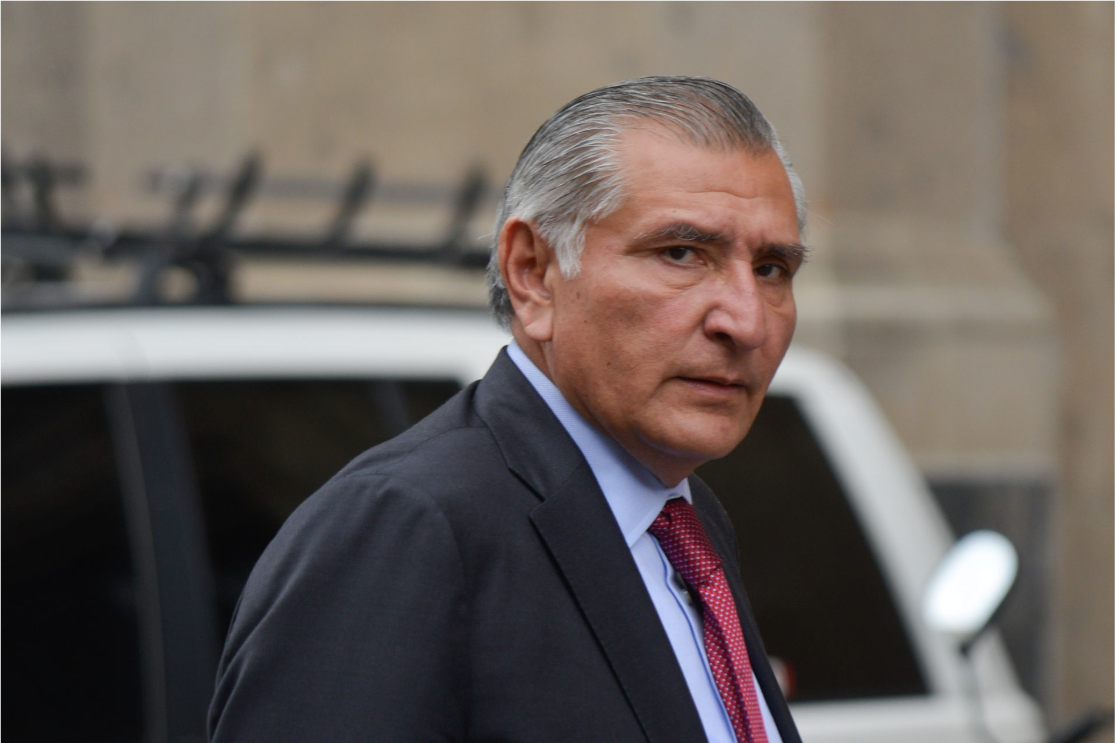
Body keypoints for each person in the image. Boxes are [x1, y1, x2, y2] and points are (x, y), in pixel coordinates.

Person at [210, 75, 807, 743]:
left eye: (772, 268)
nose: (746, 322)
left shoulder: (684, 521)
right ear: (533, 273)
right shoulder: (408, 526)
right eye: (681, 253)